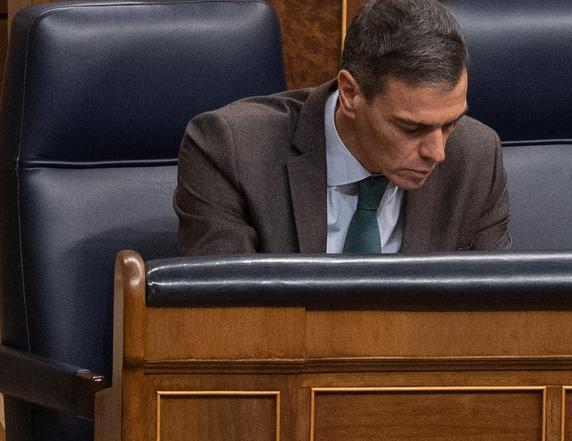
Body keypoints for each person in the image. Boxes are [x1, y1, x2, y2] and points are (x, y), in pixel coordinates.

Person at [174, 0, 510, 255]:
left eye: (450, 123)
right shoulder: (231, 149)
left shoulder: (476, 155)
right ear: (350, 93)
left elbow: (494, 317)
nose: (437, 152)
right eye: (411, 128)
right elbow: (223, 317)